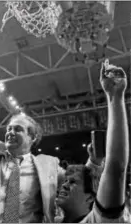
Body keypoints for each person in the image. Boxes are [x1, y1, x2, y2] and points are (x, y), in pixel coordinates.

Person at [0, 81, 102, 222]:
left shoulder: (48, 166)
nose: (10, 132)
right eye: (9, 129)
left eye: (18, 129)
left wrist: (94, 160)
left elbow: (80, 181)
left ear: (32, 137)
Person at [55, 60, 129, 222]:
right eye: (67, 181)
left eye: (72, 182)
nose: (64, 185)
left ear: (91, 199)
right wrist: (94, 161)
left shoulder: (98, 220)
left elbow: (116, 168)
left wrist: (115, 97)